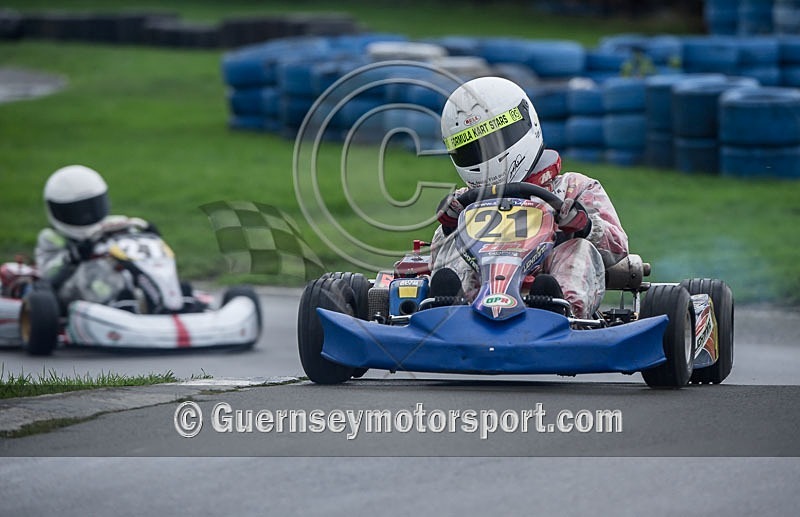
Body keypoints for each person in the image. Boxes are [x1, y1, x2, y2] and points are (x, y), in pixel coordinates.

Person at [430, 77, 629, 319]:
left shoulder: (573, 188)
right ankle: (446, 313)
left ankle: (560, 313)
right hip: (475, 305)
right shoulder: (464, 202)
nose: (485, 156)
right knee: (456, 247)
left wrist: (585, 226)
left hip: (545, 295)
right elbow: (435, 257)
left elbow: (619, 247)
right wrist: (449, 228)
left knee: (579, 248)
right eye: (472, 149)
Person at [35, 164, 154, 306]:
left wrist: (148, 236)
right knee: (88, 271)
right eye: (77, 211)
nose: (87, 216)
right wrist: (72, 257)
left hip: (117, 279)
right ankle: (119, 304)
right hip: (75, 292)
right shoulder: (51, 238)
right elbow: (47, 275)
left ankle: (168, 298)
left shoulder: (116, 224)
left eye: (92, 206)